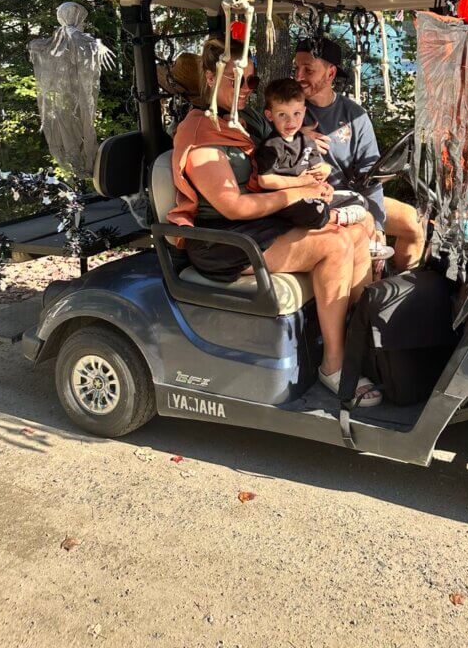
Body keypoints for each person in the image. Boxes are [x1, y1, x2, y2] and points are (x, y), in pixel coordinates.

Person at [168, 36, 381, 406]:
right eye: (238, 80)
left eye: (251, 80)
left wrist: (306, 151)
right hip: (224, 241)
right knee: (334, 244)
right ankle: (333, 365)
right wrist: (298, 192)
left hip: (260, 226)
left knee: (357, 231)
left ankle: (361, 343)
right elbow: (233, 207)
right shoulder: (200, 132)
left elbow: (279, 144)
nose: (247, 89)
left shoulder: (242, 121)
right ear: (210, 78)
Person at [294, 37, 426, 271]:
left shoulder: (354, 114)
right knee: (366, 231)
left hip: (353, 196)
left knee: (412, 222)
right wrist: (297, 139)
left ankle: (401, 284)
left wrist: (378, 224)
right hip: (317, 198)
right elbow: (270, 149)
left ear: (331, 73)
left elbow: (370, 173)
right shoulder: (289, 108)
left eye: (308, 70)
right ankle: (370, 285)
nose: (298, 76)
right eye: (296, 68)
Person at [254, 77, 371, 231]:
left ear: (304, 112)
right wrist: (302, 181)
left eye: (296, 113)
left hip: (310, 195)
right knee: (314, 210)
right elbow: (265, 180)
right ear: (270, 116)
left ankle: (329, 212)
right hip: (285, 200)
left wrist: (325, 186)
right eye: (282, 115)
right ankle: (333, 216)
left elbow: (317, 172)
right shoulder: (271, 146)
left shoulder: (306, 140)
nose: (291, 121)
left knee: (359, 199)